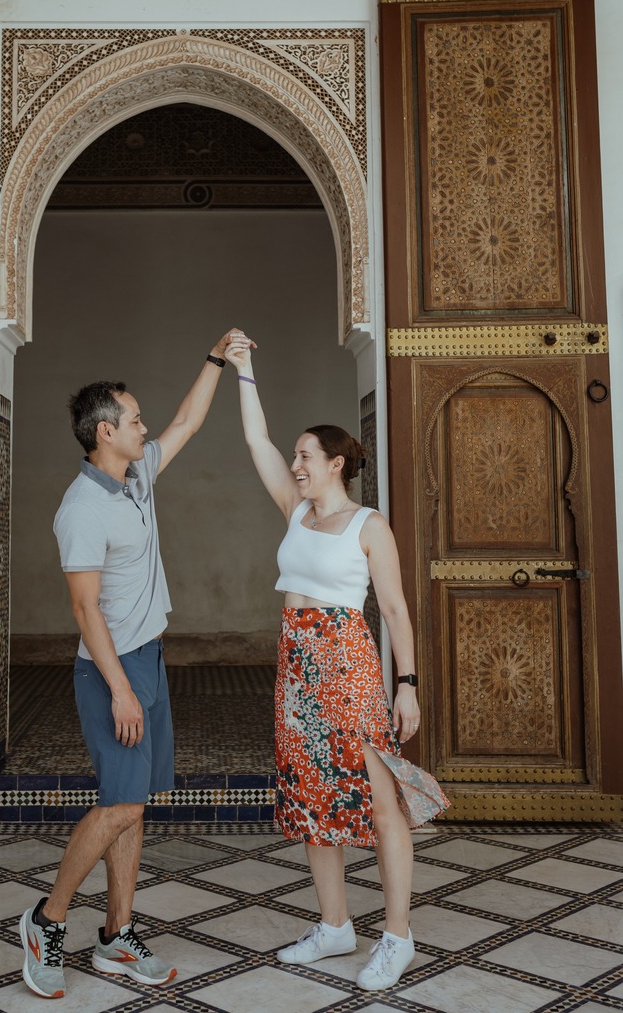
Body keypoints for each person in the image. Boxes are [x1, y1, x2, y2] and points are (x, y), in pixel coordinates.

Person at [19, 329, 247, 1000]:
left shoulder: (137, 474)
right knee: (119, 804)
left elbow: (188, 420)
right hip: (109, 670)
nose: (146, 426)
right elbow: (85, 611)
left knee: (135, 807)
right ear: (105, 433)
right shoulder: (82, 508)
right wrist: (120, 688)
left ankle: (117, 934)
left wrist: (215, 358)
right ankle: (45, 920)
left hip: (147, 657)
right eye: (135, 419)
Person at [223, 334, 449, 993]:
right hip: (295, 669)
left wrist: (406, 685)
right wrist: (245, 371)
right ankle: (333, 926)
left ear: (335, 463)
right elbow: (257, 443)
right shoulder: (296, 513)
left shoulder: (366, 524)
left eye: (305, 455)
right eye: (295, 455)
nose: (294, 463)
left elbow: (397, 611)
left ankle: (398, 935)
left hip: (348, 665)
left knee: (381, 803)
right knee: (311, 798)